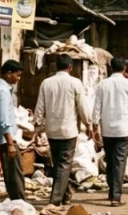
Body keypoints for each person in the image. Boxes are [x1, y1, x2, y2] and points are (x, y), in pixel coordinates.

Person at [35, 54, 92, 206]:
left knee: (59, 164)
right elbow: (82, 107)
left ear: (56, 66)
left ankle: (66, 195)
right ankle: (55, 200)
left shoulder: (46, 83)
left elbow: (40, 107)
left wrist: (38, 126)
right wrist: (89, 125)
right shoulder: (75, 83)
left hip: (52, 131)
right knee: (64, 164)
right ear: (70, 67)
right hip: (69, 131)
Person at [92, 58, 128, 206]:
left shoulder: (102, 85)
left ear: (110, 67)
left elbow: (96, 107)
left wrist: (95, 126)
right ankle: (116, 196)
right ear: (124, 69)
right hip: (123, 129)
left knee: (110, 160)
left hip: (107, 129)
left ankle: (112, 192)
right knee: (119, 161)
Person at [0, 61, 24, 201]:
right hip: (5, 140)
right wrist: (10, 143)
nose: (19, 79)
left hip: (2, 139)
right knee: (15, 176)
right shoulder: (3, 91)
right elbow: (3, 119)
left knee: (12, 176)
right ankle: (20, 205)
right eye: (17, 75)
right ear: (8, 74)